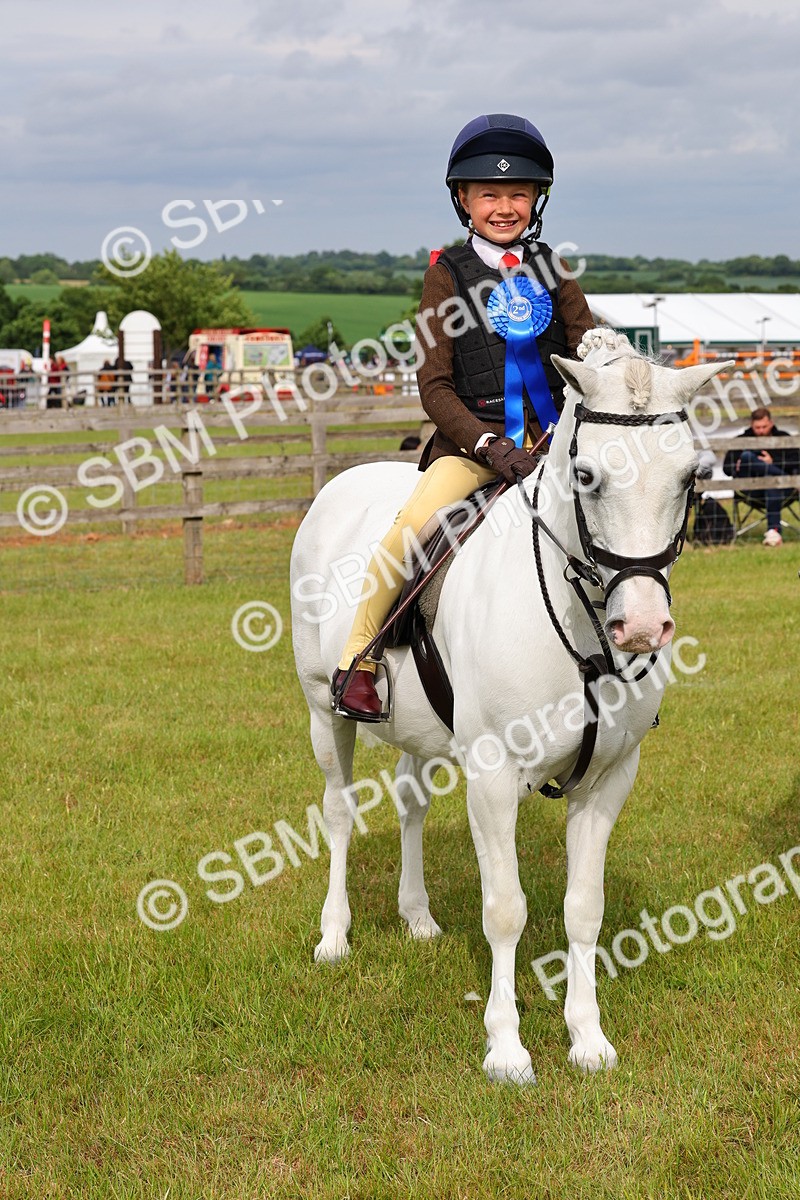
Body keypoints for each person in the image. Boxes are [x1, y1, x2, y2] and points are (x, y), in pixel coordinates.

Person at [331, 113, 595, 719]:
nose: (505, 207)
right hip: (471, 447)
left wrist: (623, 368)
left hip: (550, 443)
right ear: (464, 200)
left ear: (536, 200)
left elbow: (588, 344)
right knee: (409, 531)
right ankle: (359, 660)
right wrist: (485, 445)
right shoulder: (445, 275)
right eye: (490, 195)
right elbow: (434, 385)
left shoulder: (554, 270)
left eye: (518, 195)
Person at [723, 406, 800, 546]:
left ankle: (773, 533)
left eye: (764, 426)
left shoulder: (783, 437)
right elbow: (726, 469)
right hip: (751, 489)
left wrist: (773, 462)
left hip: (780, 490)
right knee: (746, 457)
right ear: (751, 425)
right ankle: (774, 530)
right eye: (757, 427)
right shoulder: (741, 440)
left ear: (771, 423)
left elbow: (797, 462)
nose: (761, 431)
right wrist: (738, 466)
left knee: (771, 482)